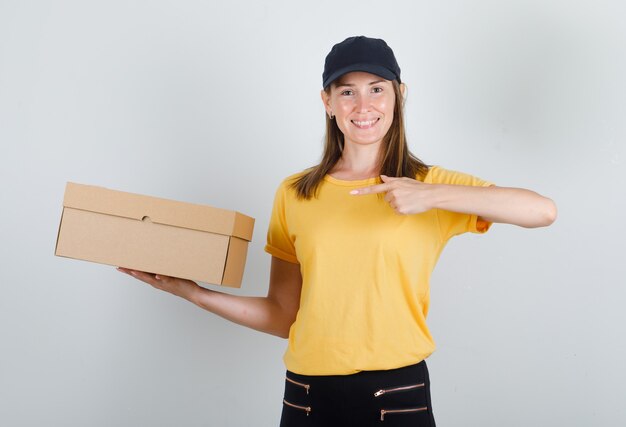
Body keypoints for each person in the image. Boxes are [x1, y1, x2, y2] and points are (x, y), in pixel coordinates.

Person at [118, 36, 557, 426]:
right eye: (347, 92)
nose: (363, 107)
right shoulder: (295, 193)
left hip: (397, 398)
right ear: (327, 102)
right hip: (307, 399)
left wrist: (432, 196)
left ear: (399, 96)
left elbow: (541, 211)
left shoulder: (429, 187)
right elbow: (283, 315)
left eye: (377, 90)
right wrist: (191, 293)